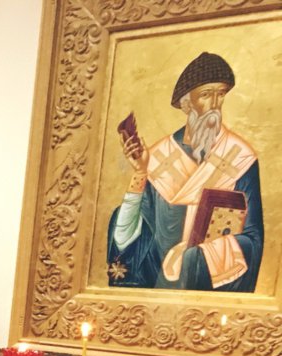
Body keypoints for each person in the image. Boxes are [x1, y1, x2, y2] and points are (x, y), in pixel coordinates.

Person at [107, 51, 262, 292]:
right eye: (206, 95)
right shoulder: (159, 157)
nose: (215, 105)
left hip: (209, 290)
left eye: (221, 94)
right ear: (186, 103)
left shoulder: (240, 156)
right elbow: (129, 237)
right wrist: (140, 173)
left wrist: (197, 258)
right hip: (159, 290)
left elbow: (253, 238)